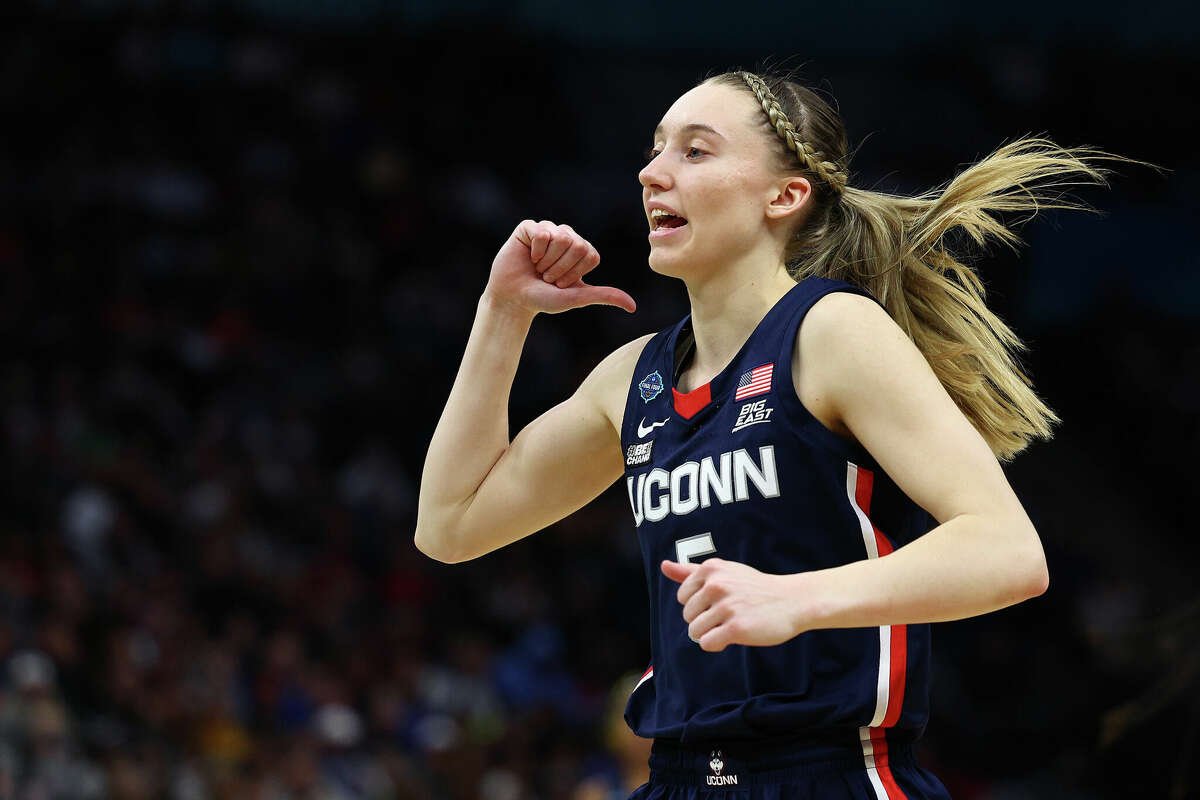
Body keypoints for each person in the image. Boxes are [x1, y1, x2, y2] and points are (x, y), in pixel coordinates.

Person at [414, 68, 1140, 798]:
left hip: (830, 773)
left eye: (694, 152)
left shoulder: (831, 332)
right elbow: (451, 526)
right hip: (678, 777)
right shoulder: (630, 378)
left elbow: (1008, 551)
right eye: (656, 148)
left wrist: (797, 600)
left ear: (784, 195)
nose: (650, 172)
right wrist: (501, 314)